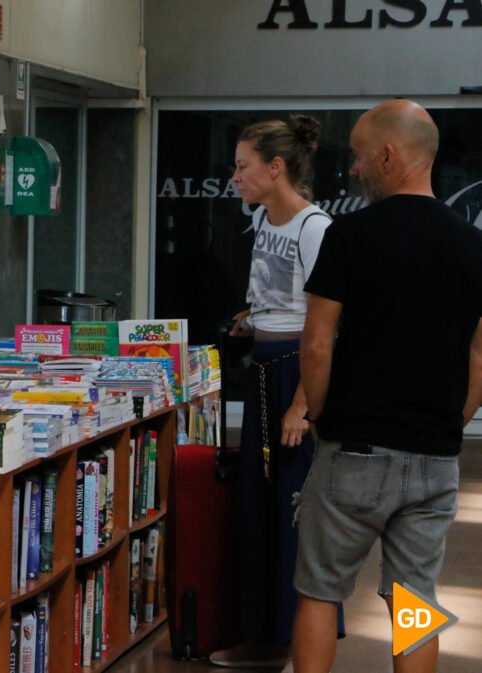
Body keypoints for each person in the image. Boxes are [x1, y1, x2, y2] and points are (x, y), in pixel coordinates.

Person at [295, 99, 482, 673]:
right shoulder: (474, 245)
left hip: (352, 448)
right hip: (433, 454)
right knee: (414, 599)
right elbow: (480, 355)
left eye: (356, 156)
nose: (351, 169)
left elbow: (318, 343)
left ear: (387, 153)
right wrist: (451, 422)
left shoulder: (350, 235)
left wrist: (321, 416)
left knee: (321, 590)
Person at [210, 114, 343, 671]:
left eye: (243, 167)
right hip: (264, 364)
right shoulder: (265, 220)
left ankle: (300, 644)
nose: (235, 177)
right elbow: (280, 296)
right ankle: (262, 635)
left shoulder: (316, 228)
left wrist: (302, 404)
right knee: (256, 508)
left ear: (275, 166)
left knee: (296, 513)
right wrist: (252, 315)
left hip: (296, 374)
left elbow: (328, 325)